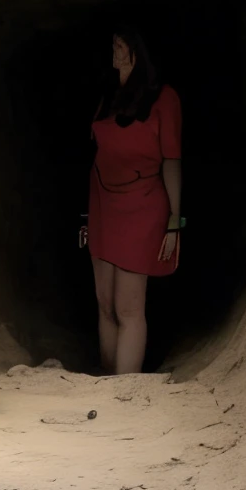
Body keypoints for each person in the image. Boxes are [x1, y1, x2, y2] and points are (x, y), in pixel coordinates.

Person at [81, 27, 182, 374]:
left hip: (143, 206)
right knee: (105, 304)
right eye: (113, 44)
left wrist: (175, 220)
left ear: (138, 52)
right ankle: (107, 380)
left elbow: (171, 160)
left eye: (121, 45)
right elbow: (94, 151)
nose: (115, 51)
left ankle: (125, 389)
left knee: (128, 308)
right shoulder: (107, 94)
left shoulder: (163, 98)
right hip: (103, 204)